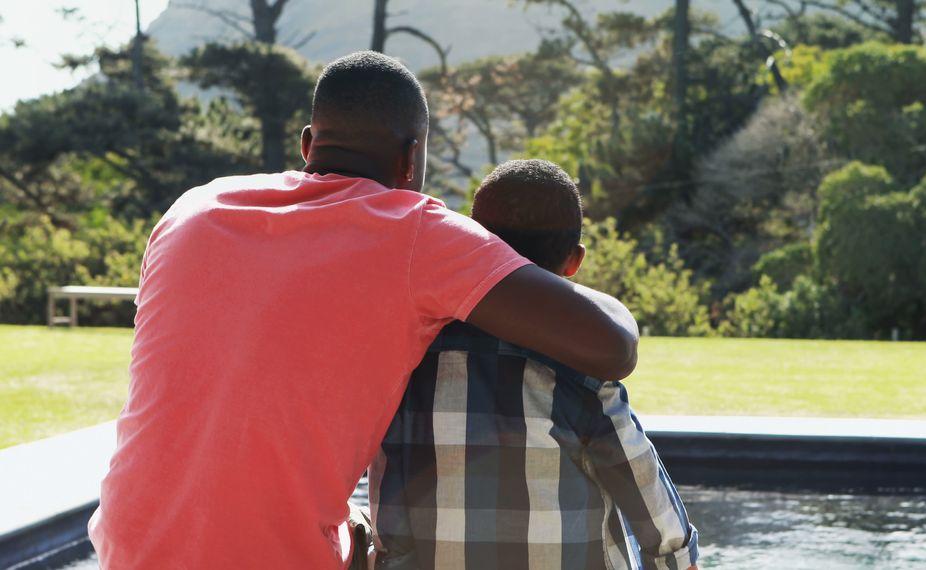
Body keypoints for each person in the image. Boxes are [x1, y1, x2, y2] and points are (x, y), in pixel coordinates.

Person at [89, 52, 639, 569]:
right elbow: (611, 347)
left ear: (309, 143)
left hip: (126, 544)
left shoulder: (195, 208)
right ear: (411, 157)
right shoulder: (415, 232)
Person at [368, 160, 699, 570]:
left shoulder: (416, 360)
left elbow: (393, 509)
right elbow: (647, 498)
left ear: (477, 245)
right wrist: (679, 561)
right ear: (574, 262)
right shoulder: (581, 366)